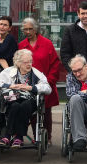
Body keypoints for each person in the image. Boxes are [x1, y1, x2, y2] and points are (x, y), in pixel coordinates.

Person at [0, 49, 52, 147]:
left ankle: (15, 136)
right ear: (18, 63)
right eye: (26, 62)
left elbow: (48, 88)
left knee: (25, 105)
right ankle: (13, 136)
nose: (29, 64)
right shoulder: (8, 72)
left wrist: (31, 88)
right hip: (12, 99)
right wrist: (10, 86)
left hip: (30, 101)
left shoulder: (36, 73)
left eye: (30, 61)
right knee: (15, 106)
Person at [19, 17, 60, 145]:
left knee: (46, 111)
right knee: (31, 112)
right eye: (25, 29)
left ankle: (48, 137)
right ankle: (37, 137)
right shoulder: (21, 45)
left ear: (36, 29)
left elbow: (55, 64)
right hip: (28, 85)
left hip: (46, 84)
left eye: (30, 29)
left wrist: (50, 81)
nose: (28, 31)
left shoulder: (47, 43)